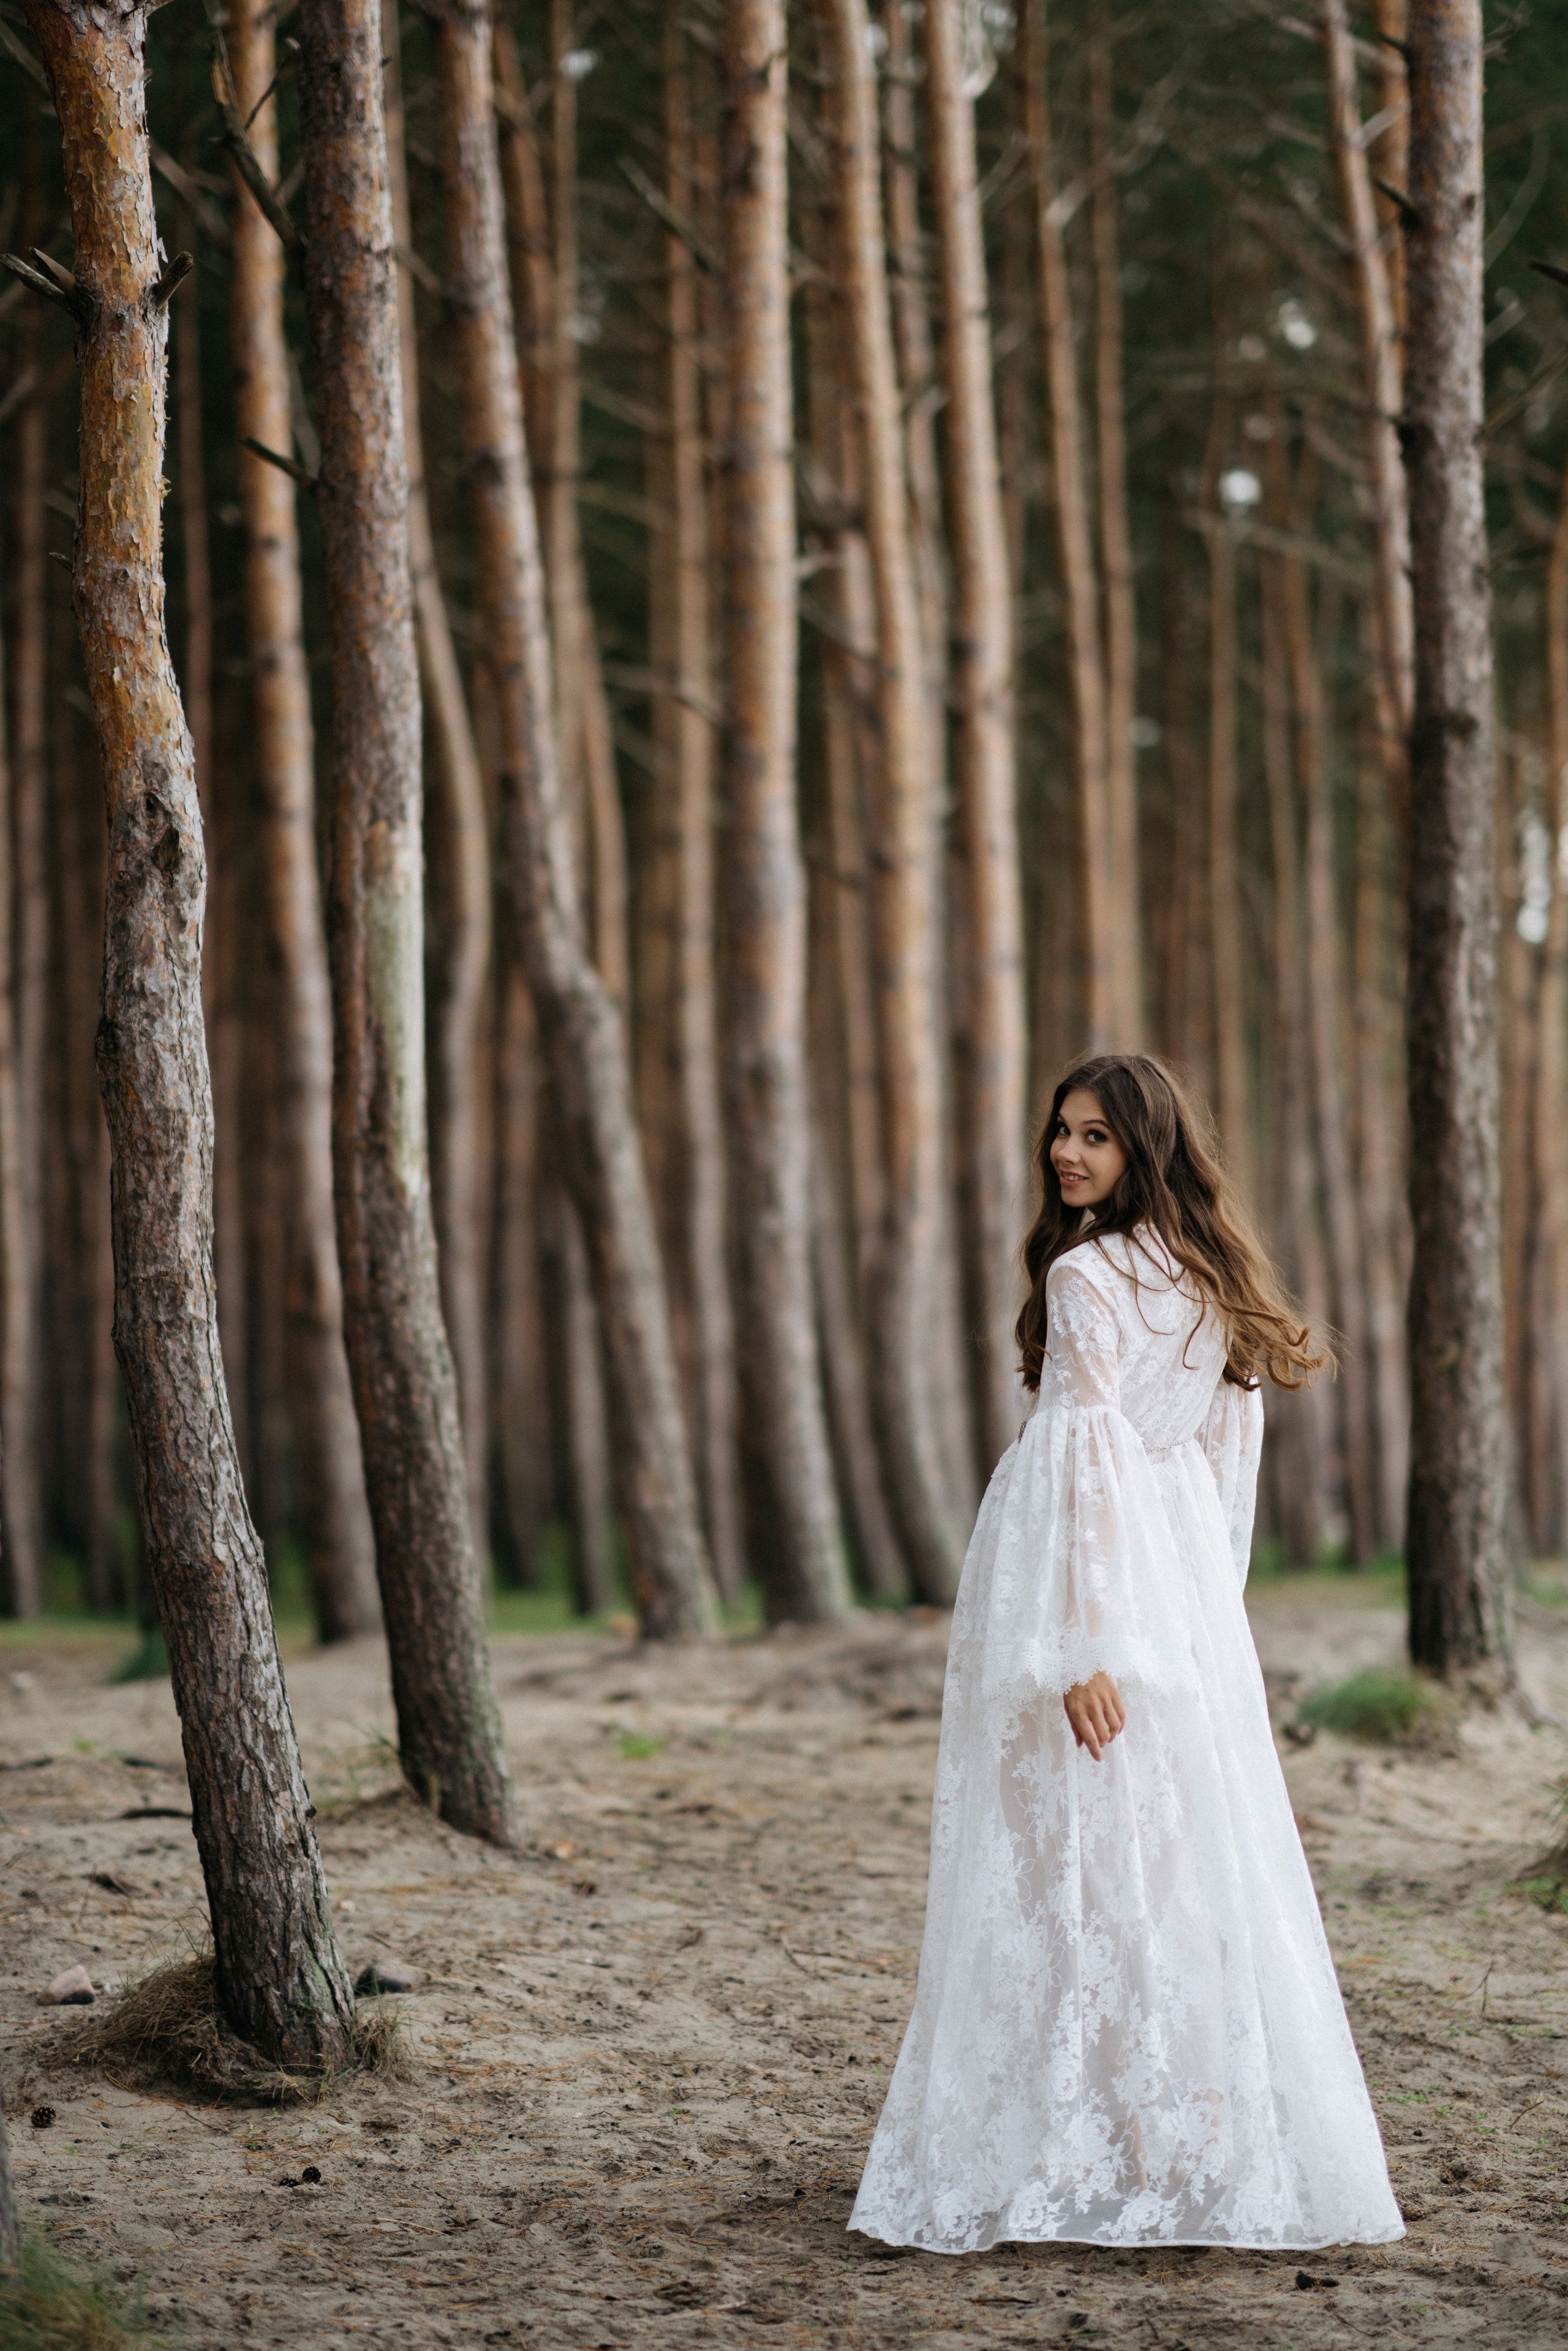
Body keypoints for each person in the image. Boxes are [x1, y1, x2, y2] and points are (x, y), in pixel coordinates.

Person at [850, 1053, 1404, 2254]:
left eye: (1094, 1134)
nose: (1065, 1151)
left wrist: (1087, 1645)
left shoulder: (1088, 1272)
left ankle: (1102, 2137)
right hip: (1176, 1597)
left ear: (1142, 1147)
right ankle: (1159, 2133)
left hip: (1089, 1596)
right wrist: (1200, 1607)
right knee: (1163, 1862)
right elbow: (1214, 1467)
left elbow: (1092, 1465)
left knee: (1076, 1860)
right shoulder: (1203, 1277)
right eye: (1059, 1130)